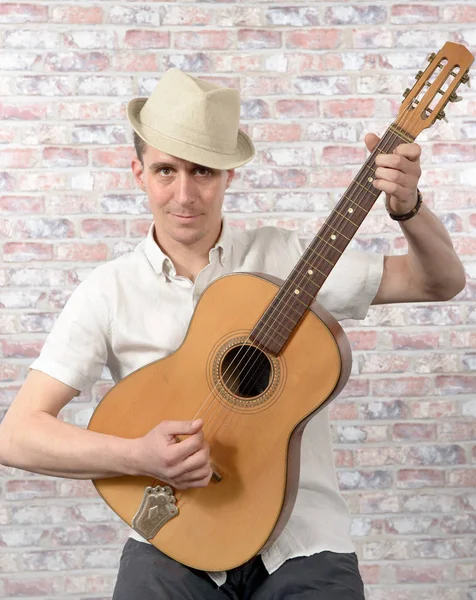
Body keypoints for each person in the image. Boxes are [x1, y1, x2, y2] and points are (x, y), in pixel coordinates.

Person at [0, 69, 465, 600]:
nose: (184, 194)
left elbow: (439, 281)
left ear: (228, 175)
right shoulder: (108, 291)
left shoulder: (291, 261)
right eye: (165, 171)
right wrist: (138, 457)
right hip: (173, 534)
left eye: (202, 171)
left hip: (304, 542)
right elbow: (15, 435)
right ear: (138, 172)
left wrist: (409, 208)